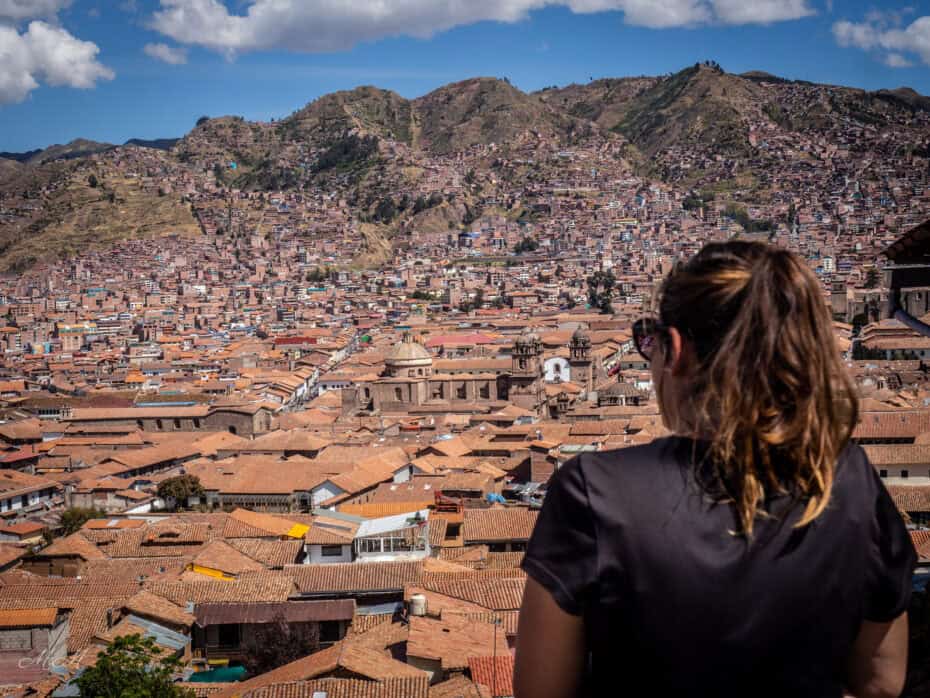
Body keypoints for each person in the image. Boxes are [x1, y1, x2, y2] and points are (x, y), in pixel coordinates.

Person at [515, 241, 916, 698]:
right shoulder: (848, 481)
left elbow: (540, 691)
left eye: (651, 342)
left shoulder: (593, 493)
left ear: (678, 350)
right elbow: (882, 682)